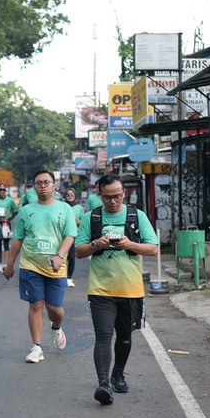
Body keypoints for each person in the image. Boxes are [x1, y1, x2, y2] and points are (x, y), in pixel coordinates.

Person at [75, 174, 158, 406]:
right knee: (103, 336)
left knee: (124, 337)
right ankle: (103, 384)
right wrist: (96, 244)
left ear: (124, 194)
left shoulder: (136, 216)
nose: (112, 201)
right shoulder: (91, 217)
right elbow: (79, 252)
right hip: (100, 289)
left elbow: (153, 249)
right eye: (107, 197)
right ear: (99, 195)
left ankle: (118, 374)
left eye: (117, 196)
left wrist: (128, 244)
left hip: (130, 289)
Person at [3, 169, 76, 364]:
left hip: (56, 268)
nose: (43, 186)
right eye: (38, 183)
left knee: (55, 309)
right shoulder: (26, 210)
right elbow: (18, 239)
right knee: (35, 304)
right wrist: (9, 264)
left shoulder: (64, 209)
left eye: (46, 182)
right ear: (34, 187)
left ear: (54, 185)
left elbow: (69, 235)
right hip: (30, 265)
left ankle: (57, 327)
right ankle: (37, 347)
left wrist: (60, 256)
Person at [0, 183, 18, 272]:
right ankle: (0, 264)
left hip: (6, 224)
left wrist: (9, 218)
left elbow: (15, 211)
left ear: (6, 191)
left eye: (3, 190)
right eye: (0, 190)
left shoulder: (9, 200)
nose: (2, 191)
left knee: (6, 244)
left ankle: (6, 264)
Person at [64, 187, 84, 287]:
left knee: (71, 257)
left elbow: (83, 221)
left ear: (75, 196)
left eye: (72, 195)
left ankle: (69, 278)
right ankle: (61, 277)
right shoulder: (62, 206)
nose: (70, 196)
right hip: (63, 235)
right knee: (63, 257)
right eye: (68, 195)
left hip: (73, 235)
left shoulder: (79, 207)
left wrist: (78, 221)